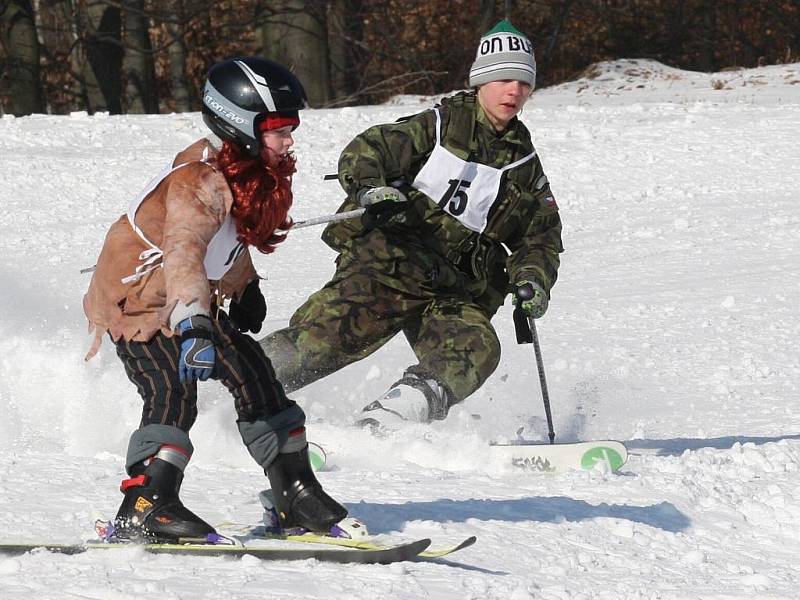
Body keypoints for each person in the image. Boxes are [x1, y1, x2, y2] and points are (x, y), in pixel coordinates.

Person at [83, 57, 347, 542]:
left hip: (188, 301)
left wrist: (246, 286)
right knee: (172, 387)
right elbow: (184, 253)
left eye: (291, 129)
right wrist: (195, 327)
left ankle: (294, 492)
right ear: (240, 124)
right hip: (141, 305)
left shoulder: (241, 172)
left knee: (255, 373)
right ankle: (144, 505)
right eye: (277, 130)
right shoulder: (197, 183)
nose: (289, 140)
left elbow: (225, 241)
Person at [260, 20, 564, 430]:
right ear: (480, 81)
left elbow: (540, 238)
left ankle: (388, 421)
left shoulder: (524, 165)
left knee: (477, 346)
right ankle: (221, 395)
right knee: (322, 343)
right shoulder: (436, 127)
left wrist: (533, 278)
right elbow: (366, 151)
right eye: (503, 78)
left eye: (524, 82)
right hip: (387, 267)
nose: (514, 91)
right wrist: (372, 190)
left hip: (451, 290)